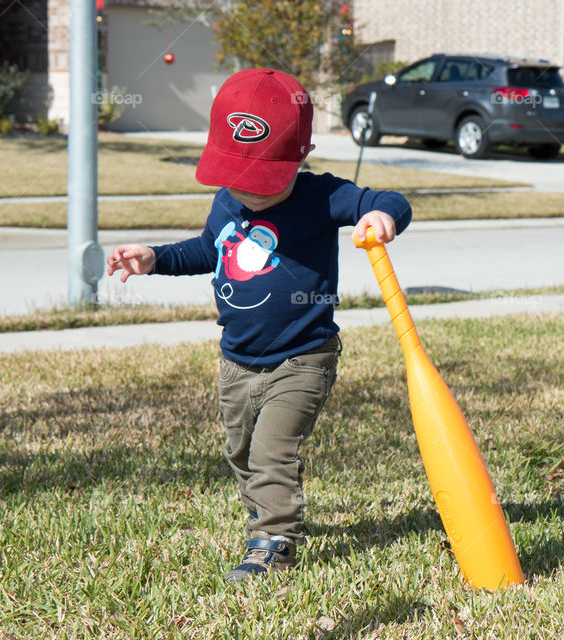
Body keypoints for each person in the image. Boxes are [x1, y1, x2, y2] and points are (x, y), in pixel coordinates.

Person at [107, 68, 412, 582]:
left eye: (261, 181)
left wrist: (382, 218)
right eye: (237, 178)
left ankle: (275, 540)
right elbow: (208, 249)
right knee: (241, 449)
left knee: (273, 450)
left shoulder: (320, 196)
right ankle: (266, 515)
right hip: (236, 360)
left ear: (301, 155)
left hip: (303, 357)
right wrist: (156, 257)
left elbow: (388, 200)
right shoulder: (227, 199)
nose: (247, 194)